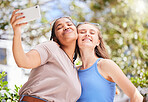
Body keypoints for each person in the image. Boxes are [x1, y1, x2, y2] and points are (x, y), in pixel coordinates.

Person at [10, 9, 81, 102]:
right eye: (59, 27)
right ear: (55, 38)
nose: (66, 27)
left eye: (69, 24)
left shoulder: (74, 70)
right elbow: (23, 61)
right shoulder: (51, 47)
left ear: (77, 33)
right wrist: (17, 32)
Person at [76, 22, 143, 102]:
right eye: (82, 32)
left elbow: (136, 96)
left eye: (92, 32)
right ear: (76, 39)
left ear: (98, 42)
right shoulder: (73, 70)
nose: (87, 34)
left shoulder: (105, 65)